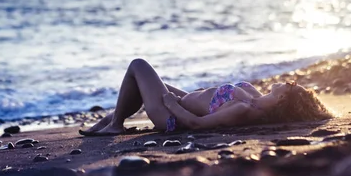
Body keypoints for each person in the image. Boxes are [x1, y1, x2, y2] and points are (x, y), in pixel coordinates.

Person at [79, 58, 331, 136]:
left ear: (282, 101)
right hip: (183, 101)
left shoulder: (245, 108)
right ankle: (114, 121)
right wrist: (176, 97)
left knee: (138, 65)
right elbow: (206, 103)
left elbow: (197, 124)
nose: (289, 81)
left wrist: (170, 104)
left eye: (290, 86)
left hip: (171, 118)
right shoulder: (254, 97)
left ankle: (114, 124)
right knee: (150, 81)